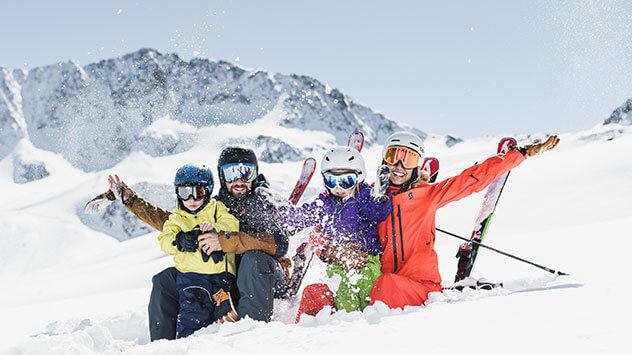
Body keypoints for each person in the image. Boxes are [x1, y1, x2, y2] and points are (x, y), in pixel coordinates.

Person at [108, 146, 290, 341]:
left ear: (255, 174)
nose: (239, 180)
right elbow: (175, 221)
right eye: (231, 173)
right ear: (221, 177)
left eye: (246, 172)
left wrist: (225, 241)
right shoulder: (216, 205)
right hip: (229, 280)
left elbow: (280, 243)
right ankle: (163, 346)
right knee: (165, 280)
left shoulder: (264, 201)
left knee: (253, 259)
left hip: (267, 277)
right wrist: (132, 201)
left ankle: (250, 336)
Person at [368, 131, 560, 309]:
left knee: (386, 283)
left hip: (421, 287)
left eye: (408, 159)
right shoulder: (369, 197)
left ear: (417, 166)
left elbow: (471, 179)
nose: (399, 166)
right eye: (394, 157)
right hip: (381, 284)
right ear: (384, 160)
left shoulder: (427, 196)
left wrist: (521, 153)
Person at [280, 146, 392, 321]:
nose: (338, 187)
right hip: (338, 264)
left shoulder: (362, 198)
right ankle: (346, 324)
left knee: (366, 296)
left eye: (346, 181)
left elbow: (377, 213)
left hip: (366, 261)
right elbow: (304, 215)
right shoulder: (324, 202)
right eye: (332, 181)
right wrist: (285, 216)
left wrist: (380, 200)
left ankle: (369, 323)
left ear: (359, 177)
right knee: (344, 295)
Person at [158, 164, 240, 338]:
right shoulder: (176, 218)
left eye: (198, 192)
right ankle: (188, 343)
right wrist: (178, 240)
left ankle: (224, 326)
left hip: (222, 278)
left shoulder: (217, 209)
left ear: (208, 191)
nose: (191, 199)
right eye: (184, 193)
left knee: (223, 316)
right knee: (193, 314)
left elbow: (231, 224)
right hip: (191, 279)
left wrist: (216, 231)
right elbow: (164, 241)